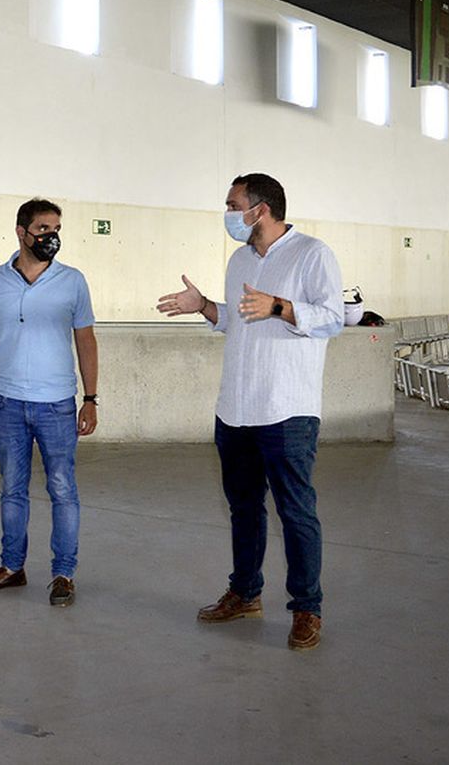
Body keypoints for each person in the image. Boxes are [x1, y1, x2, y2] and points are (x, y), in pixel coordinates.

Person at [157, 173, 343, 650]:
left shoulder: (312, 254)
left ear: (260, 209)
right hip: (237, 409)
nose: (228, 213)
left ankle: (306, 608)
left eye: (232, 204)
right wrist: (204, 307)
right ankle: (245, 592)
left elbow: (332, 317)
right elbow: (237, 325)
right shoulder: (240, 258)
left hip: (287, 409)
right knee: (244, 510)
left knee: (296, 513)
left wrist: (280, 306)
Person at [0, 198, 99, 607]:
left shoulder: (73, 281)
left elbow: (86, 341)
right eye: (42, 229)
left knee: (63, 490)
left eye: (55, 228)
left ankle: (64, 574)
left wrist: (90, 398)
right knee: (12, 490)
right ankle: (11, 566)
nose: (50, 236)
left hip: (56, 405)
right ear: (21, 232)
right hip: (6, 404)